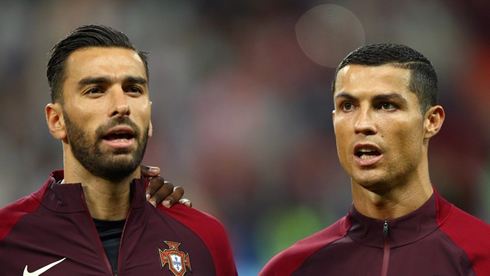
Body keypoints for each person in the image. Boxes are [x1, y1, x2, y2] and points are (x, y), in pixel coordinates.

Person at [0, 24, 237, 276]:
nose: (122, 105)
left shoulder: (203, 238)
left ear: (150, 118)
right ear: (57, 121)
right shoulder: (7, 240)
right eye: (95, 90)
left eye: (133, 89)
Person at [259, 43, 490, 275]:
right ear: (333, 120)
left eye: (386, 105)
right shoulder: (289, 269)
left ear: (431, 121)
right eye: (347, 106)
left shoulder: (483, 256)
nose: (362, 124)